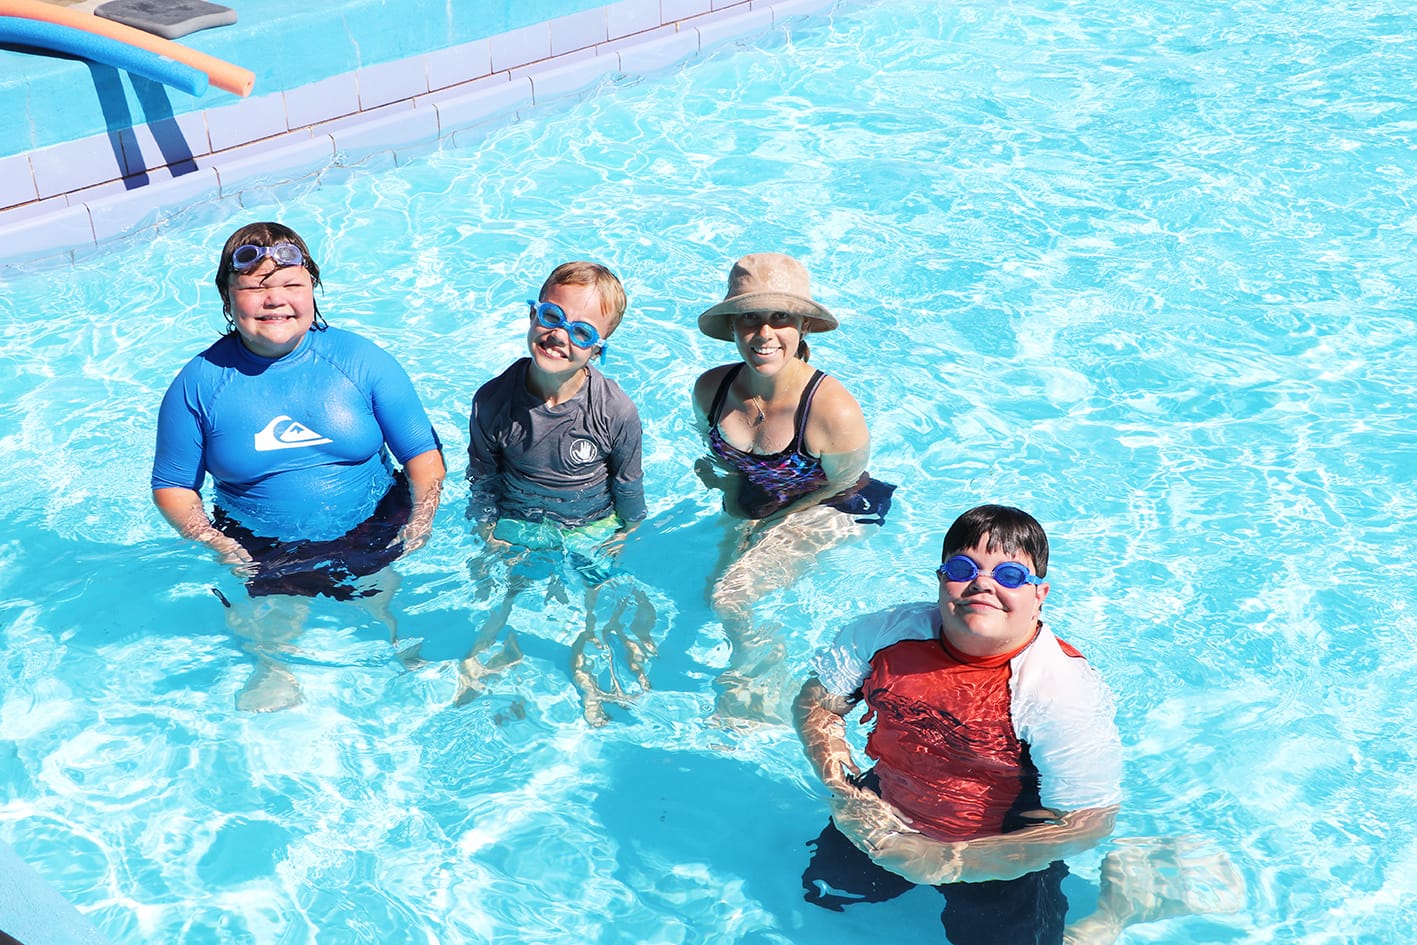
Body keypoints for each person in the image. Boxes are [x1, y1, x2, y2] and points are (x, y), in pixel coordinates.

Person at [794, 504, 1122, 944]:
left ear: (1039, 595)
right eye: (964, 567)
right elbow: (817, 706)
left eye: (1010, 576)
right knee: (826, 894)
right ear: (940, 579)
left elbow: (1088, 822)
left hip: (1003, 848)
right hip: (883, 810)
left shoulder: (1059, 691)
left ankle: (1118, 911)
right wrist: (845, 791)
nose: (983, 583)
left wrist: (953, 860)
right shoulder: (885, 634)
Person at [151, 222, 446, 709]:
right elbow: (172, 486)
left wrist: (421, 519)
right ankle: (274, 670)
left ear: (313, 289)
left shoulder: (360, 360)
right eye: (255, 287)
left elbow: (422, 456)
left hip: (373, 524)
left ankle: (403, 655)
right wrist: (215, 542)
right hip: (259, 543)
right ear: (227, 298)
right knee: (266, 624)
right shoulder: (199, 384)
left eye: (292, 284)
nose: (276, 300)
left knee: (382, 600)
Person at [691, 252, 894, 723]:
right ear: (733, 326)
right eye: (750, 318)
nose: (764, 334)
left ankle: (763, 687)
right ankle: (758, 668)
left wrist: (772, 525)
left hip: (838, 504)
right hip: (763, 502)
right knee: (708, 594)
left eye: (779, 317)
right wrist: (731, 492)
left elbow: (843, 482)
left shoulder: (831, 410)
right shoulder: (710, 390)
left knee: (731, 596)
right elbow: (717, 457)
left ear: (802, 324)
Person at [464, 261, 653, 725]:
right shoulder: (493, 400)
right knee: (508, 592)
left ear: (599, 348)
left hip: (592, 524)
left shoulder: (615, 410)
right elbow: (482, 476)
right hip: (518, 521)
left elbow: (628, 487)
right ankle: (488, 656)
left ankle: (586, 663)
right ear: (533, 315)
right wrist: (487, 530)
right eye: (552, 317)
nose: (560, 335)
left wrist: (627, 534)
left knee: (596, 604)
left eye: (582, 331)